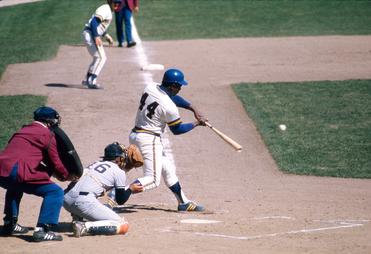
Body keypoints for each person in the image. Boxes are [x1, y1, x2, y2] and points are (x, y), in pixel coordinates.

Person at [129, 68, 207, 212]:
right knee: (152, 180)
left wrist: (192, 108)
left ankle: (183, 202)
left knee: (167, 169)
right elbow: (177, 130)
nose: (181, 88)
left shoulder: (151, 87)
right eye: (179, 86)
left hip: (137, 134)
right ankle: (117, 195)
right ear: (173, 86)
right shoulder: (169, 108)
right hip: (149, 140)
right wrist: (197, 123)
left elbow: (170, 96)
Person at [0, 106, 72, 242]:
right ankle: (42, 230)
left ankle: (9, 223)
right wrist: (65, 175)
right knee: (55, 192)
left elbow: (25, 154)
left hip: (2, 172)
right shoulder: (47, 134)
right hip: (18, 172)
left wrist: (48, 171)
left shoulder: (22, 130)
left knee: (14, 186)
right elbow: (54, 161)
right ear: (50, 121)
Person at [63, 142, 143, 237]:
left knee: (90, 190)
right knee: (122, 225)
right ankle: (84, 227)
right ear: (118, 158)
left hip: (65, 199)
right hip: (83, 203)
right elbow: (121, 200)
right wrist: (130, 189)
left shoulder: (94, 164)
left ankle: (78, 216)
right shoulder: (118, 172)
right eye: (123, 157)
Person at [81, 0, 122, 89]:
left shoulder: (108, 10)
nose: (117, 4)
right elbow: (94, 22)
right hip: (90, 34)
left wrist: (106, 35)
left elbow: (99, 25)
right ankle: (92, 81)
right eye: (115, 2)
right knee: (101, 58)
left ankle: (87, 80)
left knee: (98, 57)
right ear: (110, 1)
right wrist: (96, 36)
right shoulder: (106, 9)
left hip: (90, 33)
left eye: (118, 2)